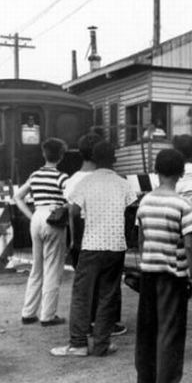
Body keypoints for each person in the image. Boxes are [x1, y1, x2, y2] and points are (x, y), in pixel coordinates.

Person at [51, 141, 136, 357]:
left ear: (94, 159)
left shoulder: (86, 183)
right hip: (116, 246)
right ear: (114, 159)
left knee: (82, 294)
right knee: (108, 295)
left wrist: (77, 239)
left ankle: (78, 343)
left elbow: (73, 211)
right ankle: (101, 344)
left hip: (91, 245)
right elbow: (129, 212)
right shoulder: (124, 183)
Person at [134, 148, 192, 383]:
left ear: (156, 172)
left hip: (148, 271)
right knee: (170, 331)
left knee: (147, 328)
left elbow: (140, 238)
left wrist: (145, 260)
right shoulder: (184, 205)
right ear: (181, 173)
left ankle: (146, 382)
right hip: (172, 275)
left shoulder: (145, 201)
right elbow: (190, 245)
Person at [64, 132, 127, 336]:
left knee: (83, 289)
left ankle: (81, 336)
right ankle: (105, 332)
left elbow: (72, 212)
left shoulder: (74, 181)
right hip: (113, 240)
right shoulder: (117, 180)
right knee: (108, 289)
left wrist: (74, 241)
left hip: (84, 239)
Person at [14, 138, 69, 327]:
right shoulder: (62, 177)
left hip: (37, 216)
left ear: (44, 154)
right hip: (54, 218)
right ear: (61, 156)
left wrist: (31, 216)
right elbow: (71, 199)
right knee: (53, 267)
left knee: (37, 267)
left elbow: (17, 197)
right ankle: (48, 315)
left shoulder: (35, 175)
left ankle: (28, 313)